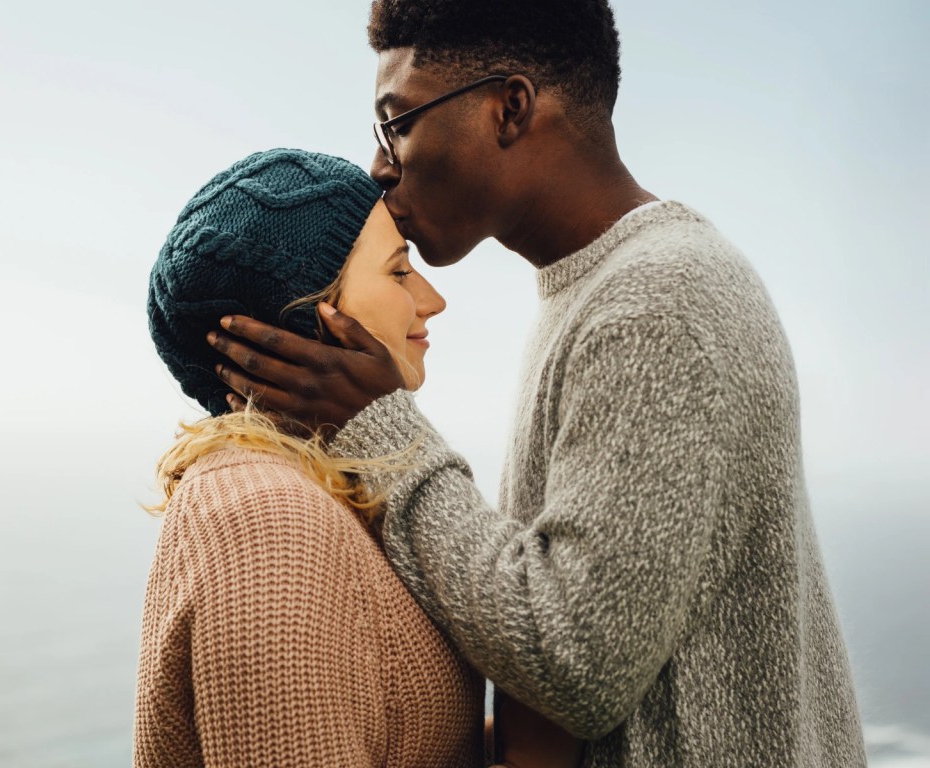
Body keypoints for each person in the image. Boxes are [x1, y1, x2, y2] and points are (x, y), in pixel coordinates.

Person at [205, 2, 867, 767]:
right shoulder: (598, 291)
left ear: (508, 108)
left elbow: (574, 663)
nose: (381, 166)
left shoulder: (659, 303)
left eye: (398, 123)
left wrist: (380, 426)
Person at [137, 148, 583, 768]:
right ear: (311, 320)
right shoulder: (263, 521)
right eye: (399, 272)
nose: (432, 300)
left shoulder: (333, 492)